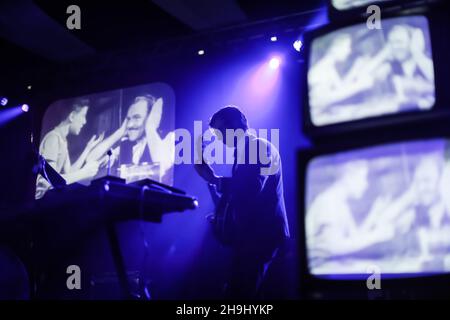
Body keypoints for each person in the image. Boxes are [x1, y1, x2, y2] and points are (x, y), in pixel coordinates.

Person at [194, 106, 290, 299]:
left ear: (241, 123)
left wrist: (214, 179)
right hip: (254, 237)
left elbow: (250, 188)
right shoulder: (245, 150)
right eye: (217, 132)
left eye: (222, 130)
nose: (220, 137)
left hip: (262, 237)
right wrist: (221, 212)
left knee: (240, 295)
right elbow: (242, 197)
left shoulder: (257, 147)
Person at [86, 95, 174, 182]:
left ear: (150, 117)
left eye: (136, 118)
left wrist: (150, 127)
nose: (129, 124)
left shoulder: (168, 138)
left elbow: (164, 167)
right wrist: (120, 132)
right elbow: (91, 160)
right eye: (128, 119)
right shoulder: (125, 145)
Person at [35, 99, 102, 199]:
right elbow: (49, 181)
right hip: (41, 202)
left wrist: (88, 149)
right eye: (83, 116)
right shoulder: (53, 138)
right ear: (72, 116)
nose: (84, 122)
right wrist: (84, 172)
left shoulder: (63, 140)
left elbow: (69, 173)